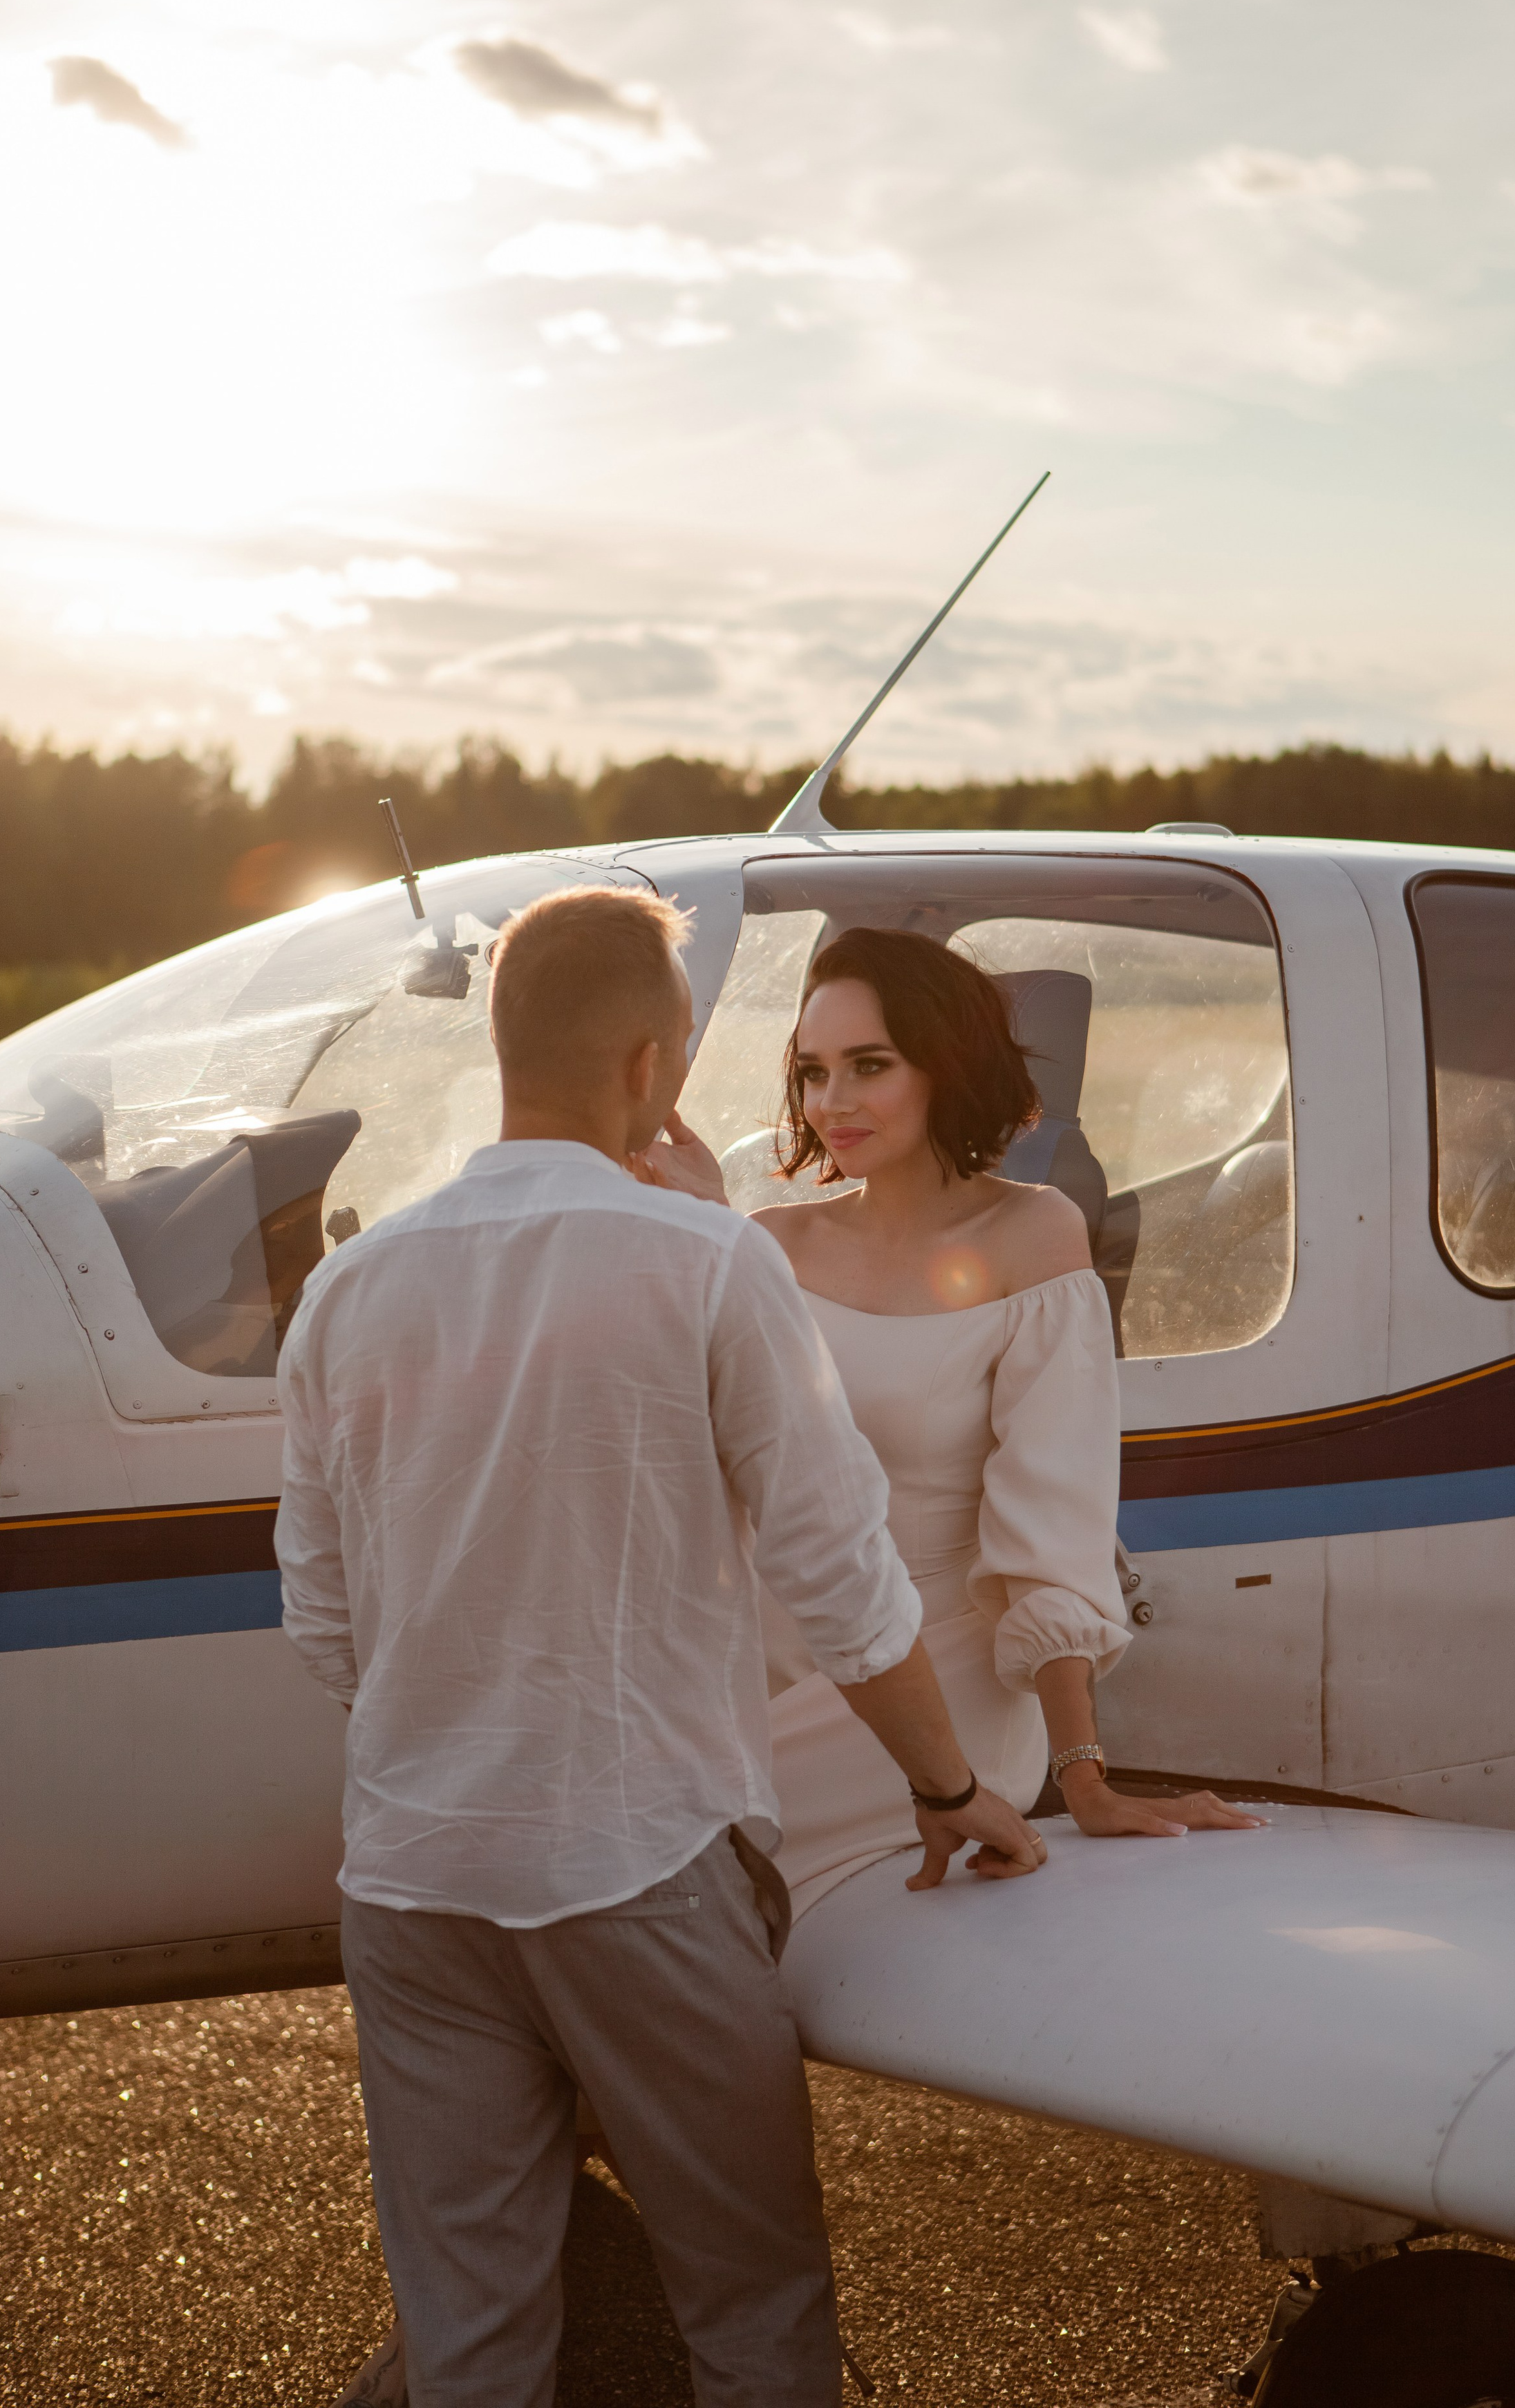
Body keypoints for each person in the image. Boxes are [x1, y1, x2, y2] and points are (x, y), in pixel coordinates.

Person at [276, 886, 1046, 2408]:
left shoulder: (349, 1288)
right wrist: (952, 1789)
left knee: (470, 2336)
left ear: (505, 1046)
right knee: (751, 2309)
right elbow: (843, 1580)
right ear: (650, 1064)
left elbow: (322, 1616)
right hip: (638, 1871)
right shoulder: (710, 1263)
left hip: (411, 1884)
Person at [634, 925, 1261, 1911]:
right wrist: (702, 1233)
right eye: (813, 1072)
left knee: (676, 1875)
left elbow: (1052, 1525)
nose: (832, 1103)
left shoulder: (1033, 1233)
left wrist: (1083, 1777)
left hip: (937, 1691)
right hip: (759, 1675)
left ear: (945, 1065)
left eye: (869, 1066)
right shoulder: (765, 1242)